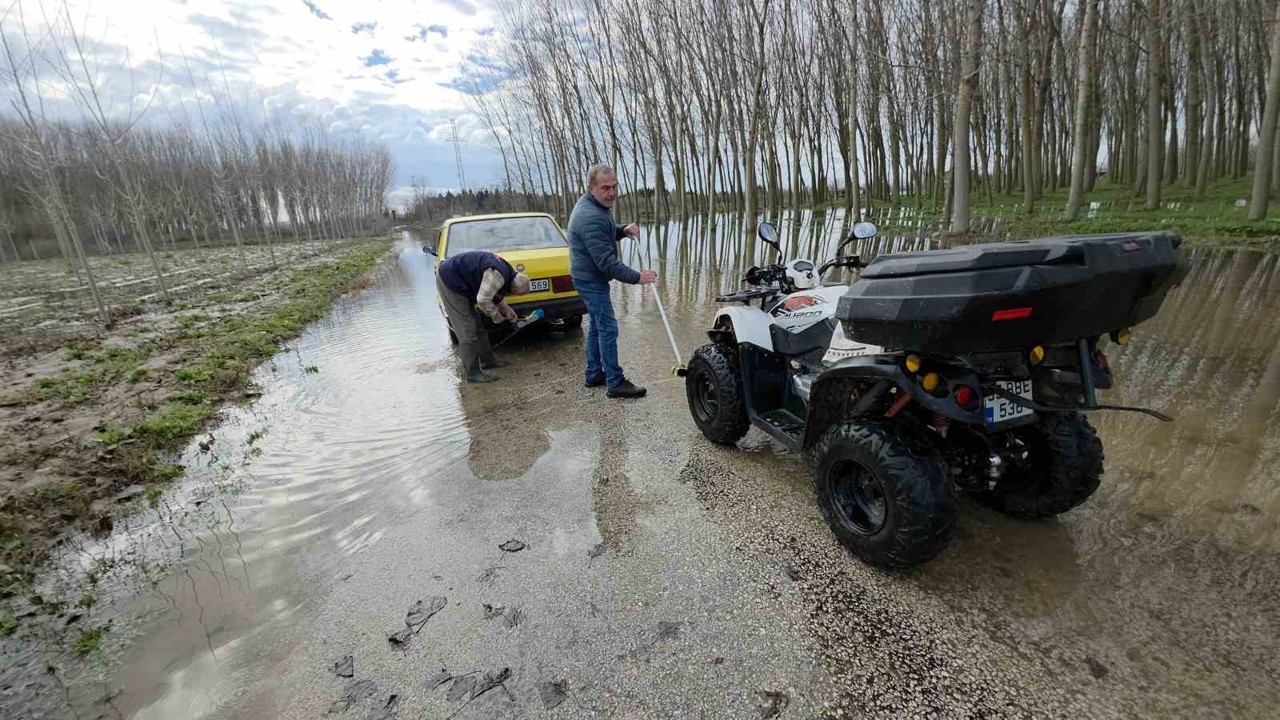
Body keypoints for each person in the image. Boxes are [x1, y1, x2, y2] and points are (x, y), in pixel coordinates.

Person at [568, 164, 657, 399]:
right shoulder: (590, 217)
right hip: (590, 279)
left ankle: (594, 373)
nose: (612, 193)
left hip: (588, 276)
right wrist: (638, 278)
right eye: (605, 188)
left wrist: (622, 230)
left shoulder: (595, 206)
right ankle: (615, 382)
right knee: (608, 327)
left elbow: (604, 232)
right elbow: (607, 263)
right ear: (591, 188)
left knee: (598, 326)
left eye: (615, 187)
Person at [436, 250, 532, 384]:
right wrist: (497, 317)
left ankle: (489, 361)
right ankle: (473, 374)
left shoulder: (508, 273)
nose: (514, 296)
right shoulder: (499, 274)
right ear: (514, 289)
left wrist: (506, 309)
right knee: (467, 329)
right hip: (451, 282)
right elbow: (483, 300)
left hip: (464, 281)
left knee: (478, 326)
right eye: (517, 294)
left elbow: (492, 290)